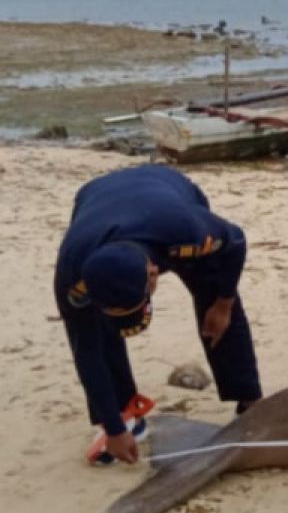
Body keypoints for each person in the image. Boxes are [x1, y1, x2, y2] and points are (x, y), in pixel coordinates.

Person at [54, 165, 263, 465]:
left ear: (154, 275)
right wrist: (113, 429)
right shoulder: (73, 276)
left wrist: (223, 305)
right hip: (95, 200)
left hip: (167, 193)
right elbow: (86, 351)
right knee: (97, 332)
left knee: (213, 292)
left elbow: (236, 241)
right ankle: (125, 414)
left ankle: (249, 402)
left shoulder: (188, 233)